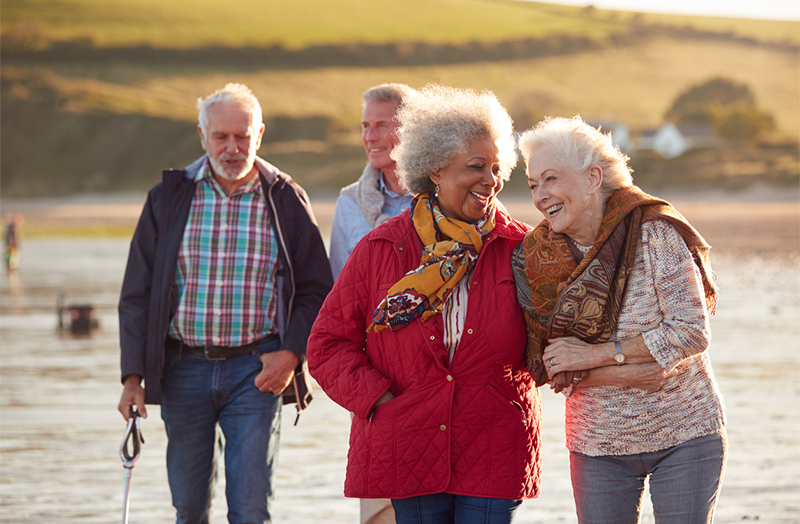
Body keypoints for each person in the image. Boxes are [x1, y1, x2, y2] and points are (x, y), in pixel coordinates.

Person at [308, 85, 541, 524]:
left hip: (494, 440)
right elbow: (327, 344)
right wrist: (379, 399)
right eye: (476, 167)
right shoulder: (380, 247)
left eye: (496, 167)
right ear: (435, 169)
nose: (490, 181)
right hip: (406, 437)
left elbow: (552, 343)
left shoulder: (523, 248)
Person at [117, 83, 333, 524]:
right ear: (202, 135)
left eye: (243, 136)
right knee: (190, 509)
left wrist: (292, 354)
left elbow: (316, 288)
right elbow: (137, 294)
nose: (232, 148)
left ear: (260, 134)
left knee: (251, 510)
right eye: (221, 137)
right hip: (182, 372)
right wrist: (133, 377)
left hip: (257, 372)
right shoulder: (169, 197)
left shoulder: (286, 198)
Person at [513, 116, 726, 524]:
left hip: (685, 434)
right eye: (533, 184)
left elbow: (690, 331)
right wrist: (630, 373)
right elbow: (547, 364)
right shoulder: (534, 258)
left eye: (551, 179)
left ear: (593, 177)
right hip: (597, 446)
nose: (540, 196)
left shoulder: (654, 232)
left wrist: (594, 354)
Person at [329, 83, 416, 281]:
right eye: (365, 126)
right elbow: (338, 291)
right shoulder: (348, 203)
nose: (369, 137)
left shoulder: (448, 198)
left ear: (411, 130)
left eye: (381, 125)